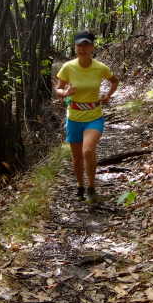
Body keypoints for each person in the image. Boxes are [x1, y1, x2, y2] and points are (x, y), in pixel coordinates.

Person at [56, 31, 119, 204]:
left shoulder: (100, 67)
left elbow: (115, 80)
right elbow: (58, 91)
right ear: (75, 47)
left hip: (94, 116)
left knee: (88, 151)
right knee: (76, 157)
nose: (82, 48)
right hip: (74, 117)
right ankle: (80, 185)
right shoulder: (68, 67)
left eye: (86, 45)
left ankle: (91, 187)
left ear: (92, 47)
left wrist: (107, 95)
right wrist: (66, 92)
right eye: (79, 45)